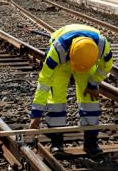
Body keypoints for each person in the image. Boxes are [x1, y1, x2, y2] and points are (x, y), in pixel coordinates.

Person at [29, 24, 113, 157]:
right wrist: (36, 113)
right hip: (62, 64)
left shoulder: (102, 46)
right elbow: (44, 82)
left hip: (86, 61)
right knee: (56, 99)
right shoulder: (57, 51)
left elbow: (106, 66)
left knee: (90, 100)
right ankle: (56, 143)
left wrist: (93, 82)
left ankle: (91, 143)